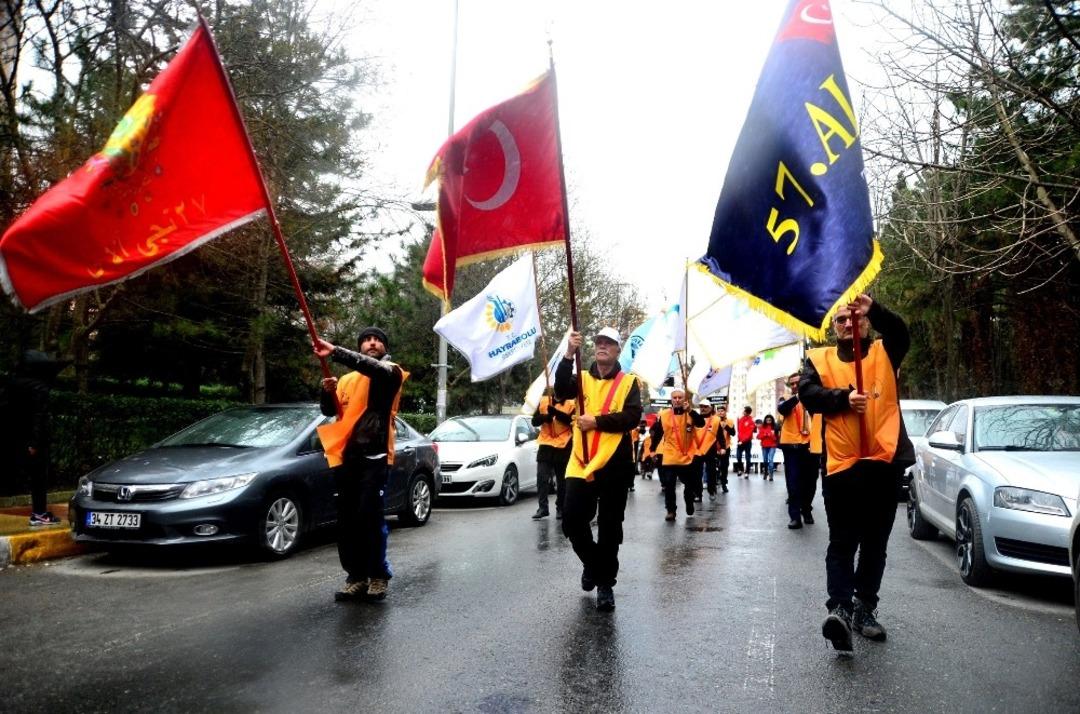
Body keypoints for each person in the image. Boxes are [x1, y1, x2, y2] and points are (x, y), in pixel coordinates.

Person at [799, 294, 914, 655]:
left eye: (856, 319)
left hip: (884, 461)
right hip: (842, 465)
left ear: (865, 322)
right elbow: (809, 394)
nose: (850, 325)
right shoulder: (820, 359)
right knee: (843, 540)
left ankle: (865, 608)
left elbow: (901, 332)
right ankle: (840, 610)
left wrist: (875, 308)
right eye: (841, 321)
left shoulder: (885, 350)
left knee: (875, 542)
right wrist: (843, 399)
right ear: (833, 328)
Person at [315, 328, 407, 603]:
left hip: (376, 456)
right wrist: (326, 393)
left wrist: (335, 351)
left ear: (384, 347)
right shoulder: (346, 379)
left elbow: (371, 368)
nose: (372, 342)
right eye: (367, 340)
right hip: (346, 456)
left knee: (369, 516)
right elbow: (330, 412)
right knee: (347, 520)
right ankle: (356, 576)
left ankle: (378, 575)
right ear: (361, 346)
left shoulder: (390, 372)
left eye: (378, 339)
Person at [555, 327, 642, 612]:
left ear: (618, 350)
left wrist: (597, 422)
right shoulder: (580, 378)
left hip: (615, 464)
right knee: (571, 521)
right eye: (598, 342)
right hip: (580, 461)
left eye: (609, 343)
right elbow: (560, 389)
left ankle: (605, 585)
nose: (602, 346)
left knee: (610, 527)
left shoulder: (629, 382)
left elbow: (632, 417)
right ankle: (592, 566)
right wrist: (568, 353)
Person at [8, 350, 64, 526]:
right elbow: (39, 417)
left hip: (14, 436)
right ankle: (39, 513)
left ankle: (39, 512)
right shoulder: (40, 387)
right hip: (33, 441)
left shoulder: (13, 383)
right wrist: (35, 442)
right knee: (39, 477)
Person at [650, 388, 705, 521]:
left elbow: (701, 423)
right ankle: (670, 511)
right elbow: (657, 433)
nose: (677, 400)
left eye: (680, 397)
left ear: (684, 399)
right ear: (671, 400)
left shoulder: (691, 414)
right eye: (674, 398)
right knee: (669, 485)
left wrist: (690, 411)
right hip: (670, 455)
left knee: (689, 484)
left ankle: (689, 501)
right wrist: (652, 450)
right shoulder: (664, 415)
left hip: (687, 456)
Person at [778, 371, 817, 529]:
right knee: (793, 484)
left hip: (811, 446)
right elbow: (782, 410)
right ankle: (794, 517)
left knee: (810, 483)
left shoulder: (815, 397)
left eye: (797, 383)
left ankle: (806, 509)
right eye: (792, 384)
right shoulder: (788, 399)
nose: (794, 386)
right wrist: (797, 397)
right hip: (792, 448)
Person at [531, 392, 575, 520]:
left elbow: (572, 421)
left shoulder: (571, 403)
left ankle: (560, 508)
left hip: (563, 445)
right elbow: (534, 421)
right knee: (542, 477)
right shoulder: (544, 401)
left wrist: (556, 413)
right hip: (545, 445)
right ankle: (543, 508)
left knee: (562, 481)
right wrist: (545, 417)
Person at [694, 401, 723, 501]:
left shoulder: (716, 420)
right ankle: (698, 494)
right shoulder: (695, 418)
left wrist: (722, 447)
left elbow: (720, 435)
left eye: (705, 407)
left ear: (710, 408)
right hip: (697, 450)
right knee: (697, 473)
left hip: (711, 450)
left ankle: (712, 491)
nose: (703, 408)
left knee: (711, 472)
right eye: (701, 406)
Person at [715, 405, 735, 492]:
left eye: (722, 411)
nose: (720, 412)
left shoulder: (729, 421)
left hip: (726, 447)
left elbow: (733, 433)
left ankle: (724, 484)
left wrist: (726, 426)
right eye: (718, 411)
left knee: (725, 466)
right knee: (715, 466)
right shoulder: (713, 421)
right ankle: (715, 481)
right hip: (714, 447)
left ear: (725, 412)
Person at [735, 406, 756, 477]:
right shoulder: (741, 419)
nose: (742, 411)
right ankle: (740, 469)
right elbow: (739, 430)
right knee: (738, 456)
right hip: (740, 441)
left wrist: (742, 441)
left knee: (747, 457)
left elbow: (749, 433)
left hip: (747, 442)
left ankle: (747, 472)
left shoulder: (751, 421)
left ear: (747, 412)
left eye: (743, 410)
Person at [757, 414, 778, 481]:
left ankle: (771, 475)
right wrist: (765, 434)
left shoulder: (775, 427)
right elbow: (758, 437)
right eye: (767, 420)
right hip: (764, 446)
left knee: (771, 460)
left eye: (770, 420)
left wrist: (771, 435)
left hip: (772, 446)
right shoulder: (762, 427)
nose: (768, 421)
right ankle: (766, 472)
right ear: (765, 420)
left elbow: (776, 438)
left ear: (772, 420)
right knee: (765, 460)